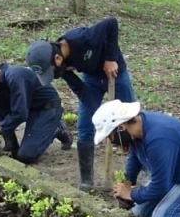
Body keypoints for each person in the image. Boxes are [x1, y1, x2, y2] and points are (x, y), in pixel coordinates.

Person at [26, 17, 136, 191]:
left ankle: (135, 175)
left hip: (116, 74)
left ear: (57, 57)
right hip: (91, 79)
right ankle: (87, 180)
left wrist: (110, 58)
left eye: (51, 71)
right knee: (85, 125)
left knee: (132, 120)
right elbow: (80, 89)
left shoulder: (82, 38)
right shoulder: (61, 66)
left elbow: (111, 23)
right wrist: (100, 114)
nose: (53, 75)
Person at [0, 64, 72, 164]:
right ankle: (11, 144)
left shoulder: (15, 76)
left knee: (26, 156)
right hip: (27, 106)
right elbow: (3, 111)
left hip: (45, 108)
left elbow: (20, 113)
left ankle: (56, 128)